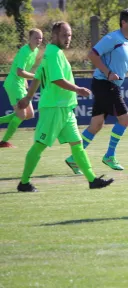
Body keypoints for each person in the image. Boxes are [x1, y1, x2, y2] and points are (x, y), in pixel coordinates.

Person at [16, 22, 114, 192]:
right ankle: (23, 183)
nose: (68, 38)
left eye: (69, 35)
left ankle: (92, 180)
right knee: (40, 145)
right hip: (54, 108)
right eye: (64, 35)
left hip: (64, 109)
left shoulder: (52, 53)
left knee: (77, 144)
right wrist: (78, 89)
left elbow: (38, 77)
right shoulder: (53, 54)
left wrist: (27, 98)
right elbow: (56, 80)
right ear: (54, 36)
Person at [64, 9, 128, 174]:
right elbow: (92, 55)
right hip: (104, 83)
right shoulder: (112, 38)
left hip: (109, 83)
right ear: (123, 23)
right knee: (125, 119)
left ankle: (74, 159)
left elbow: (120, 67)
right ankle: (109, 155)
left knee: (96, 125)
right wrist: (107, 73)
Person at [0, 29, 43, 148]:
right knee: (21, 115)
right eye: (36, 38)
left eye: (40, 38)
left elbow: (25, 70)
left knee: (29, 114)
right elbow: (19, 71)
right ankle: (4, 142)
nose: (38, 40)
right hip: (13, 84)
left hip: (19, 84)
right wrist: (36, 76)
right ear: (29, 38)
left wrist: (25, 82)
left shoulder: (35, 51)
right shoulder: (24, 51)